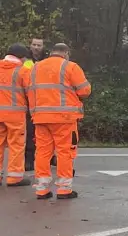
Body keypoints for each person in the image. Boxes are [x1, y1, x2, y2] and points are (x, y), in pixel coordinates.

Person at [29, 43, 90, 200]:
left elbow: (30, 90)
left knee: (42, 151)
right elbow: (85, 90)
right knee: (65, 152)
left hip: (40, 117)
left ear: (51, 53)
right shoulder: (70, 66)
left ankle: (41, 189)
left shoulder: (36, 67)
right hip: (64, 118)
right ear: (66, 53)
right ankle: (64, 189)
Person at [0, 44, 32, 186]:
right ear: (21, 57)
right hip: (15, 114)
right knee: (16, 145)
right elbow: (30, 92)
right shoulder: (22, 71)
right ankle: (14, 177)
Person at [23, 37, 46, 173]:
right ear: (30, 46)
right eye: (34, 44)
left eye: (39, 45)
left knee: (47, 133)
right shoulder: (25, 61)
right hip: (29, 102)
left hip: (45, 101)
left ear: (43, 47)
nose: (36, 47)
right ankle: (28, 160)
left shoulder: (47, 60)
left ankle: (50, 158)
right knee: (30, 133)